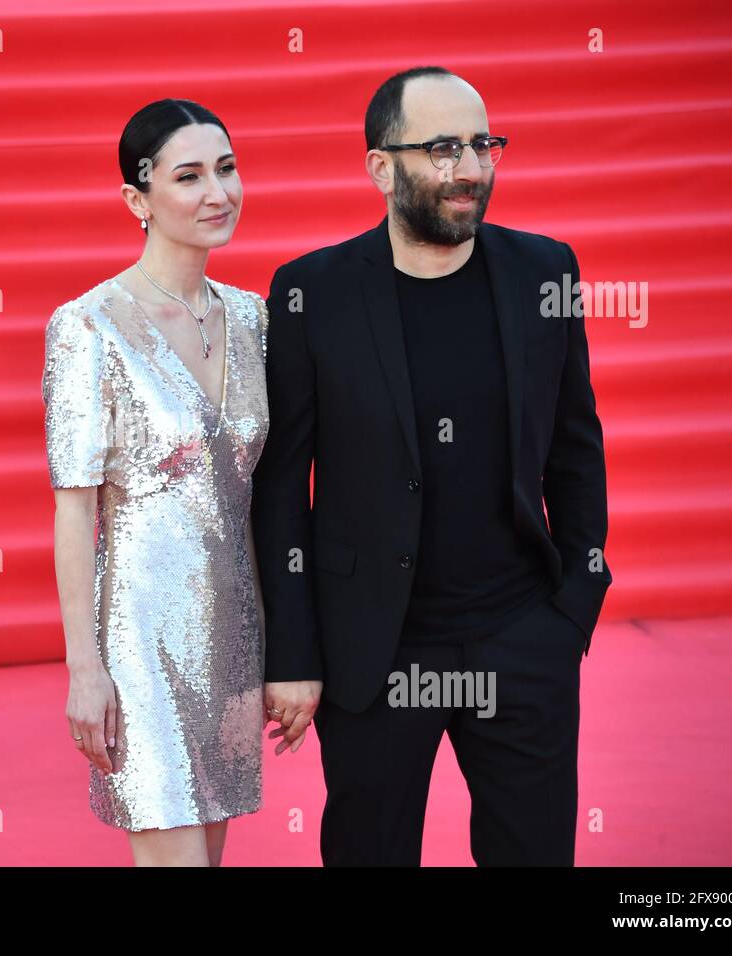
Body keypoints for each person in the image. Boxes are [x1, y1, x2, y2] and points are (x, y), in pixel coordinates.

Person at [252, 66, 613, 866]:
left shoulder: (544, 272)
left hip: (522, 638)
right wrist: (294, 654)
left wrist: (573, 609)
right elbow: (280, 485)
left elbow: (575, 446)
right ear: (381, 167)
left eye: (483, 144)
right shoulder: (312, 293)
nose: (471, 168)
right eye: (444, 148)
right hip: (373, 650)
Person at [42, 99, 271, 866]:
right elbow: (75, 511)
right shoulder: (88, 327)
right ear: (137, 200)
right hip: (140, 639)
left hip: (234, 636)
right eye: (189, 176)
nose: (218, 193)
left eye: (227, 169)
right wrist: (85, 670)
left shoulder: (256, 321)